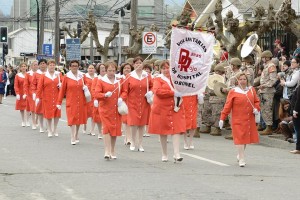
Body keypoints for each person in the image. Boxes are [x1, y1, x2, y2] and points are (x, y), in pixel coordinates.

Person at [219, 72, 260, 167]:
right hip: (237, 119)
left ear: (247, 80)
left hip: (249, 118)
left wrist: (256, 109)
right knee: (240, 138)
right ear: (237, 81)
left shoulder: (251, 90)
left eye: (244, 79)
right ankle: (241, 158)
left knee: (245, 139)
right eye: (240, 79)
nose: (242, 81)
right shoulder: (233, 91)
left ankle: (240, 154)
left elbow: (256, 101)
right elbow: (227, 106)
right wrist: (222, 118)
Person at [148, 60, 186, 162]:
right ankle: (164, 154)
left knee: (176, 130)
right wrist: (172, 93)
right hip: (162, 108)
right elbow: (158, 91)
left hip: (175, 107)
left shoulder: (176, 79)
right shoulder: (158, 79)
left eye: (167, 67)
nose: (166, 70)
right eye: (163, 68)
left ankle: (177, 153)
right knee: (163, 131)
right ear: (160, 69)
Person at [121, 56, 153, 152]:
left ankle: (140, 143)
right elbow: (125, 90)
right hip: (132, 102)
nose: (139, 65)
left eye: (140, 63)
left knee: (142, 124)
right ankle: (133, 142)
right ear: (133, 65)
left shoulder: (147, 76)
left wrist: (151, 92)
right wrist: (121, 100)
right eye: (137, 63)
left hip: (144, 102)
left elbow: (152, 86)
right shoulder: (129, 76)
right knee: (134, 123)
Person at [95, 61, 122, 160]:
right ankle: (107, 150)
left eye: (113, 70)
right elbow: (96, 94)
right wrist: (104, 95)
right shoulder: (101, 81)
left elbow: (125, 92)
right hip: (105, 108)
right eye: (109, 70)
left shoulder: (119, 80)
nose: (111, 72)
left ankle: (112, 150)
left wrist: (121, 98)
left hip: (116, 109)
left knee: (114, 129)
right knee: (106, 128)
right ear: (106, 71)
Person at [57, 60, 88, 145]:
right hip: (71, 100)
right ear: (70, 67)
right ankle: (72, 136)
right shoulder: (67, 77)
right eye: (73, 66)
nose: (74, 67)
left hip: (81, 100)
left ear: (79, 67)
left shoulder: (82, 76)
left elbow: (87, 85)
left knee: (78, 119)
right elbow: (62, 90)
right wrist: (59, 102)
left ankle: (76, 134)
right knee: (72, 118)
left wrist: (86, 87)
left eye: (76, 66)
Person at [36, 59, 62, 137]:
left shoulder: (58, 75)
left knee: (57, 114)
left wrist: (61, 85)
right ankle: (50, 130)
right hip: (47, 98)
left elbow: (64, 86)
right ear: (48, 66)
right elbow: (40, 87)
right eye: (50, 65)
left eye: (53, 65)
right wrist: (37, 97)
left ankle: (55, 129)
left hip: (57, 97)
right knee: (49, 114)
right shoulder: (44, 75)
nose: (52, 66)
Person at [257, 50, 277, 135]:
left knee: (267, 109)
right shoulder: (266, 66)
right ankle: (266, 126)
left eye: (264, 57)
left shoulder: (271, 66)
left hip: (268, 91)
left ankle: (269, 127)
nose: (262, 59)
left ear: (268, 57)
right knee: (264, 109)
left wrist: (264, 85)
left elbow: (273, 80)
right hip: (264, 90)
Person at [31, 59, 48, 133]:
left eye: (44, 63)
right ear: (39, 65)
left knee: (48, 111)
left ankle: (47, 125)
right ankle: (41, 126)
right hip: (40, 95)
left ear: (46, 64)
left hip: (48, 95)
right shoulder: (36, 74)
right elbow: (33, 84)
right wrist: (34, 93)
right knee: (40, 112)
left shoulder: (49, 73)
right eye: (41, 63)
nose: (42, 65)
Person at [120, 63, 134, 145]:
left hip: (132, 100)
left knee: (130, 120)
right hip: (123, 100)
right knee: (125, 120)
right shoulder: (119, 78)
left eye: (128, 68)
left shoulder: (133, 78)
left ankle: (128, 138)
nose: (127, 69)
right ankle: (127, 137)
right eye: (125, 68)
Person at [91, 63, 106, 139]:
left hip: (107, 99)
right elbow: (93, 90)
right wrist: (95, 99)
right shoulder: (96, 79)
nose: (103, 69)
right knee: (98, 117)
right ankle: (100, 132)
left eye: (104, 67)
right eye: (101, 68)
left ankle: (105, 130)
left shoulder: (109, 78)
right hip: (98, 100)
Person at [24, 61, 39, 129]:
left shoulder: (40, 73)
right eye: (34, 65)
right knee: (33, 109)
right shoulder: (28, 74)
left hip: (39, 93)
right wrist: (26, 93)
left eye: (36, 65)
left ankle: (36, 121)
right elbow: (26, 85)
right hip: (31, 93)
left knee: (38, 108)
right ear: (31, 66)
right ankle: (33, 123)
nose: (36, 66)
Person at [83, 65, 96, 135]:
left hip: (94, 97)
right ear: (87, 69)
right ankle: (85, 126)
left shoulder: (97, 77)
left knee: (93, 113)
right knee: (86, 113)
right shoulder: (84, 77)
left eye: (92, 68)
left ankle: (92, 129)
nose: (91, 69)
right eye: (90, 68)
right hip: (87, 97)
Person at [290, 84, 300, 154]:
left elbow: (298, 99)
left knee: (298, 130)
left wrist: (295, 110)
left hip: (297, 112)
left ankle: (298, 148)